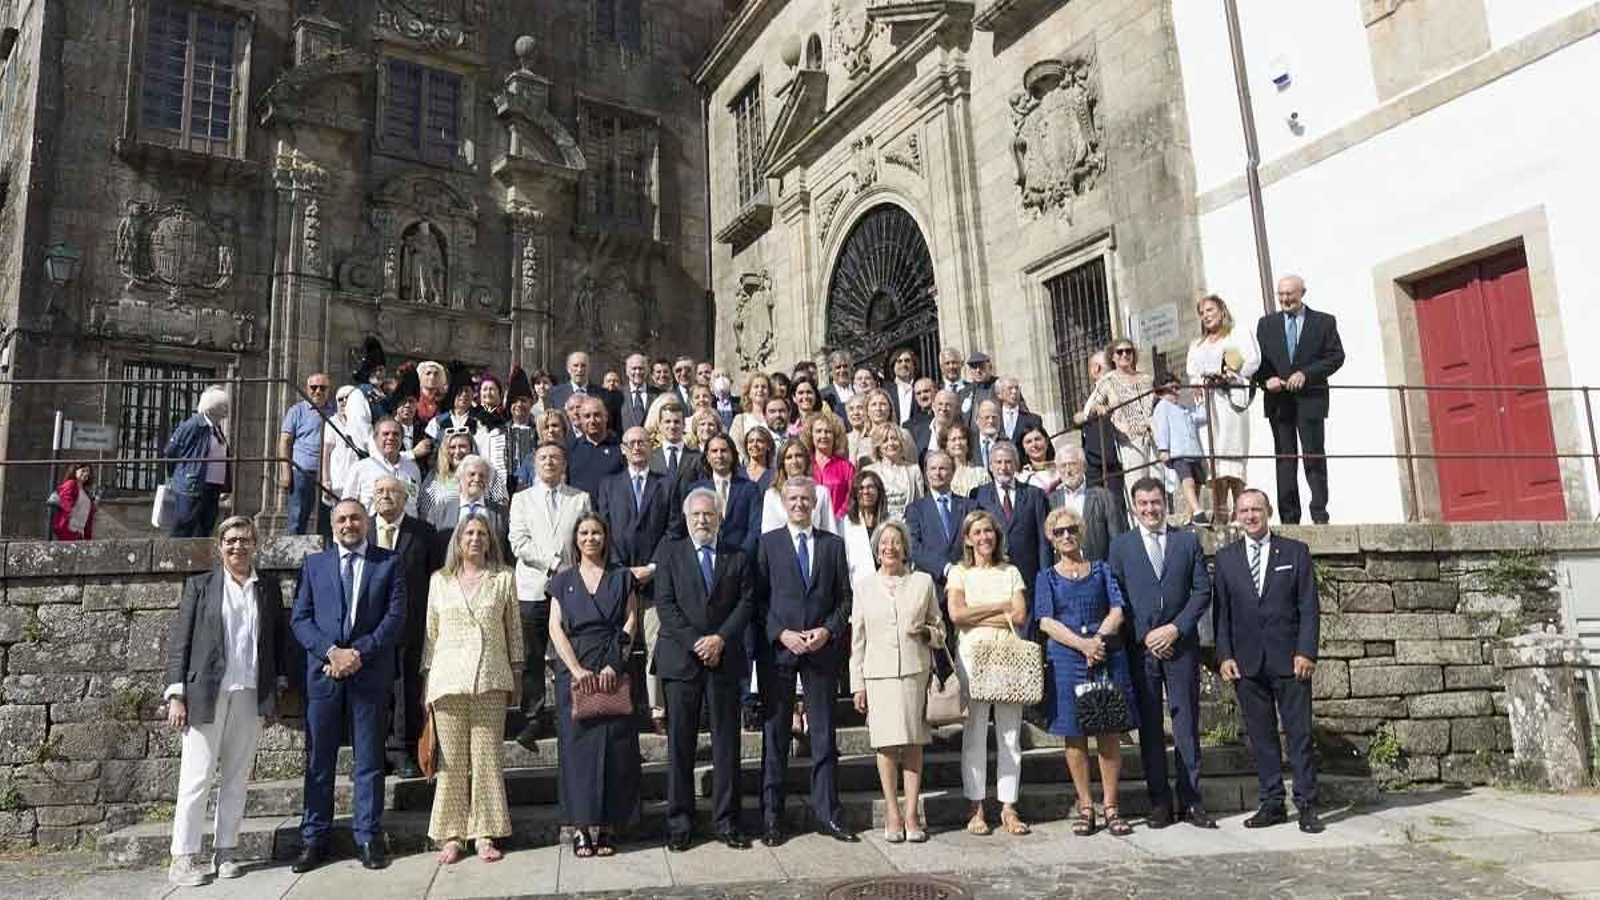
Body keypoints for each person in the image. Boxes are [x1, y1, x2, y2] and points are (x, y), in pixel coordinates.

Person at [162, 516, 286, 887]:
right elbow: (180, 643)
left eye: (245, 540)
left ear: (255, 544)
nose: (238, 547)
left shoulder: (267, 589)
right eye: (231, 541)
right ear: (220, 547)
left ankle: (226, 850)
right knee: (197, 778)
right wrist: (176, 694)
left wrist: (274, 692)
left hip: (249, 693)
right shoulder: (200, 587)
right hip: (205, 695)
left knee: (236, 777)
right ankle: (182, 857)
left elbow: (276, 643)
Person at [290, 498, 407, 872]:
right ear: (332, 524)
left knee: (369, 762)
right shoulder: (314, 564)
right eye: (341, 519)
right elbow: (301, 619)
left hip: (369, 674)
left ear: (367, 523)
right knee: (318, 761)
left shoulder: (388, 562)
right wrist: (331, 653)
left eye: (355, 517)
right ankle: (313, 838)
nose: (348, 524)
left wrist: (358, 653)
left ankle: (368, 836)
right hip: (324, 676)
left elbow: (395, 617)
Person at [1106, 477, 1213, 830]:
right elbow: (1117, 596)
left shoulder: (1186, 541)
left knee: (1186, 723)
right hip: (1143, 649)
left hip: (1180, 647)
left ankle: (1192, 799)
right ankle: (1160, 802)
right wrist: (1146, 634)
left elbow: (1201, 591)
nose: (1150, 509)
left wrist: (1175, 628)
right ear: (1134, 506)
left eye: (1155, 503)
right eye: (1143, 504)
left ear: (1164, 503)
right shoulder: (1121, 546)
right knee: (1150, 727)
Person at [1215, 489, 1324, 833]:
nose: (1250, 516)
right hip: (1247, 663)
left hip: (1291, 661)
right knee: (1261, 738)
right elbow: (1222, 615)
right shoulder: (1226, 558)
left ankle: (1306, 804)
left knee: (1299, 735)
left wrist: (1306, 651)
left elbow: (1309, 607)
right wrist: (1225, 655)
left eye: (1256, 509)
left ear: (1269, 512)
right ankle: (1272, 803)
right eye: (1244, 510)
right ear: (1237, 515)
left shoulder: (1295, 552)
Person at [755, 476, 857, 846]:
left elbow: (844, 599)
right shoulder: (767, 544)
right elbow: (759, 601)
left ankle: (827, 814)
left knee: (824, 736)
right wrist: (781, 633)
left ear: (815, 503)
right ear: (784, 502)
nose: (799, 504)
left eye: (805, 499)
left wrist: (827, 632)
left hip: (820, 652)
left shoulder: (833, 545)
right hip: (780, 653)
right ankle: (771, 818)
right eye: (793, 498)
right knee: (776, 737)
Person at [654, 488, 756, 852]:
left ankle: (727, 822)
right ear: (686, 518)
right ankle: (680, 824)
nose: (702, 520)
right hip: (682, 662)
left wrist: (720, 640)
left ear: (719, 519)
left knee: (727, 745)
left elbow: (746, 603)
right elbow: (665, 605)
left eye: (709, 515)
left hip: (724, 661)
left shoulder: (738, 557)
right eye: (696, 514)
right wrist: (698, 643)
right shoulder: (670, 554)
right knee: (680, 745)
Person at [422, 513, 522, 863]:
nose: (476, 538)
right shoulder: (440, 581)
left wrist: (517, 672)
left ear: (491, 540)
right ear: (459, 541)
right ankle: (451, 835)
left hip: (490, 678)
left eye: (482, 533)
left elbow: (514, 631)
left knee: (487, 759)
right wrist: (427, 685)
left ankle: (483, 833)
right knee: (451, 763)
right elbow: (431, 636)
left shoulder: (503, 578)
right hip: (447, 680)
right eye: (469, 533)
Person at [1035, 507, 1139, 837]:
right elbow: (1046, 621)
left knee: (1108, 732)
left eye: (1071, 530)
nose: (1066, 535)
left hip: (1105, 654)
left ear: (1080, 533)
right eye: (1059, 532)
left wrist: (1097, 641)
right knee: (1075, 735)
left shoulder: (1101, 569)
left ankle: (1110, 806)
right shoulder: (1046, 577)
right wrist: (1082, 646)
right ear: (1052, 539)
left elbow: (1118, 609)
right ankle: (1085, 806)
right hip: (1067, 659)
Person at [548, 514, 642, 858]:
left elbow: (631, 621)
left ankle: (607, 826)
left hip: (611, 668)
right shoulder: (563, 581)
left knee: (615, 749)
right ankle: (580, 827)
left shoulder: (622, 577)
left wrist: (613, 663)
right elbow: (555, 627)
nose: (591, 538)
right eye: (584, 533)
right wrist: (575, 669)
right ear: (576, 539)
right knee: (577, 752)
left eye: (597, 532)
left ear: (606, 537)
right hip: (576, 672)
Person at [849, 520, 943, 844]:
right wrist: (856, 683)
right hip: (879, 675)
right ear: (876, 550)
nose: (889, 547)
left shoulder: (922, 582)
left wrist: (927, 633)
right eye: (884, 543)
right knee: (887, 745)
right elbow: (857, 640)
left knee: (914, 743)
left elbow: (940, 628)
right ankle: (892, 810)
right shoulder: (862, 587)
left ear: (905, 548)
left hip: (915, 672)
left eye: (895, 542)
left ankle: (913, 811)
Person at [947, 510, 1031, 837]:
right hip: (972, 657)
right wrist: (999, 608)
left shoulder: (1010, 571)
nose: (984, 538)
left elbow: (1020, 614)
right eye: (977, 532)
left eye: (989, 532)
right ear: (968, 538)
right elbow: (956, 614)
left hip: (1008, 653)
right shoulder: (959, 572)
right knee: (975, 732)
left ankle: (1009, 805)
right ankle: (976, 804)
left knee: (1010, 734)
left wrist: (977, 614)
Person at [508, 441, 591, 749]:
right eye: (543, 457)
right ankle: (533, 718)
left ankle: (569, 711)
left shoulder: (580, 498)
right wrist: (554, 563)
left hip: (571, 589)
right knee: (533, 656)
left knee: (568, 653)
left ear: (564, 464)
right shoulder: (521, 500)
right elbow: (518, 542)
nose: (549, 462)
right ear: (535, 463)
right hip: (533, 588)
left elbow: (587, 537)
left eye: (555, 457)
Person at [596, 427, 672, 731]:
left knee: (656, 644)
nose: (637, 447)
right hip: (618, 579)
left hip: (656, 580)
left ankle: (657, 712)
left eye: (642, 442)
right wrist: (622, 569)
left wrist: (652, 567)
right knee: (620, 645)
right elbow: (602, 529)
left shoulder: (665, 484)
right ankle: (620, 708)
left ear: (650, 448)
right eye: (631, 443)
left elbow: (673, 529)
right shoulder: (608, 485)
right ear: (623, 449)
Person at [1254, 274, 1346, 525]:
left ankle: (1319, 514)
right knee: (1285, 459)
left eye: (1290, 295)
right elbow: (1258, 364)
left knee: (1314, 456)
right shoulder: (1266, 324)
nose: (1284, 299)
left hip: (1311, 400)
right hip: (1278, 402)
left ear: (1302, 293)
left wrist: (1306, 374)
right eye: (1280, 295)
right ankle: (1289, 518)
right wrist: (1266, 380)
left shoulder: (1324, 322)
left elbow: (1336, 357)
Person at [369, 476, 438, 779]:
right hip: (368, 629)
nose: (385, 496)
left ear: (404, 497)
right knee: (373, 692)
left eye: (391, 492)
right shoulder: (361, 530)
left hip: (410, 625)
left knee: (406, 689)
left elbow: (434, 580)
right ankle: (374, 752)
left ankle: (402, 750)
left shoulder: (423, 533)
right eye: (380, 491)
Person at [1188, 294, 1261, 522]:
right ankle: (1220, 515)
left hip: (1231, 401)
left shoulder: (1238, 334)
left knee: (1233, 455)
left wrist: (1230, 374)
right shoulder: (1197, 345)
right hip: (1209, 406)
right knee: (1215, 462)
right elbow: (1192, 373)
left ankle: (1241, 514)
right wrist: (1198, 384)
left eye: (1210, 310)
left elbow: (1253, 361)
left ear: (1222, 311)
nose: (1206, 316)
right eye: (1202, 312)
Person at [973, 442, 1053, 605]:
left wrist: (1044, 578)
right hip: (993, 576)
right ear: (990, 465)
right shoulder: (978, 495)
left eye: (1008, 462)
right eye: (998, 462)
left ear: (1016, 464)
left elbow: (1044, 542)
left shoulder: (1034, 495)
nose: (1003, 467)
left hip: (1029, 578)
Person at [1082, 339, 1156, 500]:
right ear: (1112, 357)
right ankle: (1139, 524)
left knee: (1157, 482)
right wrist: (1100, 408)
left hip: (1154, 436)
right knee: (1136, 485)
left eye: (1128, 351)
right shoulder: (1107, 381)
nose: (1125, 355)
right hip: (1129, 439)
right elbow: (1091, 408)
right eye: (1120, 352)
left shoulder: (1146, 379)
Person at [905, 451, 976, 612]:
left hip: (966, 588)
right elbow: (913, 547)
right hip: (931, 589)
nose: (937, 473)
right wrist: (945, 568)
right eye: (933, 469)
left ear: (952, 472)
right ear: (926, 473)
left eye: (943, 468)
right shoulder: (915, 509)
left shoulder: (969, 506)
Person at [164, 385, 232, 538]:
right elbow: (171, 450)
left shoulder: (216, 428)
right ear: (211, 407)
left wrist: (225, 485)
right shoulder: (194, 425)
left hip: (213, 486)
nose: (226, 409)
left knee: (205, 527)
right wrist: (176, 475)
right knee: (185, 525)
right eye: (223, 406)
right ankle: (175, 559)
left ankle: (199, 560)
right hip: (193, 484)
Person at [679, 433, 762, 554]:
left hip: (741, 559)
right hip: (706, 558)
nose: (719, 455)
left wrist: (741, 557)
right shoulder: (695, 489)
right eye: (714, 451)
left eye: (724, 451)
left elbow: (754, 529)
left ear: (733, 455)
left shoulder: (750, 488)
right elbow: (688, 528)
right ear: (707, 456)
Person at [279, 372, 335, 535]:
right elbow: (285, 441)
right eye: (313, 387)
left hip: (327, 474)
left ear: (328, 390)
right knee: (297, 518)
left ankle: (324, 558)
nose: (318, 391)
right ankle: (294, 559)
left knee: (327, 520)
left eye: (322, 388)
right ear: (307, 388)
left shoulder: (335, 411)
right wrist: (286, 472)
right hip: (302, 471)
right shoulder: (296, 411)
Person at [1047, 448, 1126, 562]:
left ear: (1084, 467)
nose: (1068, 470)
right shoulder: (1051, 501)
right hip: (1063, 573)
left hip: (1097, 570)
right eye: (1063, 466)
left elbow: (1117, 538)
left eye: (1073, 464)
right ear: (1058, 470)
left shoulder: (1103, 497)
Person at [1074, 351, 1127, 518]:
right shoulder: (1101, 386)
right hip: (1097, 455)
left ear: (1095, 368)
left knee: (1113, 503)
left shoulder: (1109, 382)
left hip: (1106, 455)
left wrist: (1086, 415)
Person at [1151, 375, 1209, 524]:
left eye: (1178, 388)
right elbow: (1161, 428)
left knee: (1197, 483)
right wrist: (1163, 449)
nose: (1176, 392)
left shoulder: (1184, 409)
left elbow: (1202, 417)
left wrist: (1201, 400)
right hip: (1178, 453)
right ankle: (1198, 511)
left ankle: (1189, 516)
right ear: (1160, 392)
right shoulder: (1162, 406)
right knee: (1187, 481)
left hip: (1193, 452)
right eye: (1172, 389)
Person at [426, 455, 510, 549]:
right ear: (459, 479)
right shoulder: (438, 513)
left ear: (488, 481)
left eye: (482, 475)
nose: (477, 479)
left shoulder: (501, 514)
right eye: (472, 474)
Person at [344, 418, 423, 517]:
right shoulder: (360, 468)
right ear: (375, 439)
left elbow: (415, 504)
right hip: (372, 529)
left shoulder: (413, 469)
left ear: (402, 438)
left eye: (396, 434)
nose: (391, 437)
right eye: (385, 434)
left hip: (408, 529)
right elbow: (347, 506)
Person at [763, 438, 836, 533]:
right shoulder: (772, 495)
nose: (794, 461)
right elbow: (768, 533)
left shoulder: (821, 492)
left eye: (799, 456)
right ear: (782, 463)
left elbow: (830, 530)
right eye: (789, 457)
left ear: (806, 460)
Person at [548, 350, 623, 436]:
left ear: (589, 368)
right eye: (575, 366)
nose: (579, 370)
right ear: (568, 369)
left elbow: (612, 426)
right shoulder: (555, 394)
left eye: (583, 366)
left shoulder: (604, 395)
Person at [865, 423, 924, 521]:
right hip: (879, 527)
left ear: (901, 443)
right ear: (878, 446)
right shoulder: (869, 471)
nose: (890, 443)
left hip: (907, 528)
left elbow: (920, 504)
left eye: (894, 439)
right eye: (885, 440)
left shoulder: (914, 470)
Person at [568, 397, 624, 498]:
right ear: (580, 419)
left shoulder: (620, 448)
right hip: (580, 512)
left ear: (606, 417)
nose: (592, 420)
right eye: (587, 416)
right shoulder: (571, 449)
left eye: (597, 415)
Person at [839, 469, 888, 582]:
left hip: (888, 585)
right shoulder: (845, 524)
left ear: (879, 491)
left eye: (870, 487)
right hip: (858, 586)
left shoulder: (891, 521)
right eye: (861, 488)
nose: (866, 491)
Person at [805, 411, 855, 517]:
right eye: (818, 431)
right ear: (811, 435)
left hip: (839, 525)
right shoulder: (804, 465)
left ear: (835, 436)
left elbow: (851, 497)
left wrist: (836, 519)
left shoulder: (846, 467)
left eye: (828, 431)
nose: (823, 435)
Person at [940, 423, 990, 498]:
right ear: (946, 445)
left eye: (962, 438)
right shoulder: (942, 473)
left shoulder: (980, 473)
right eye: (953, 439)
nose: (958, 443)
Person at [51, 463, 98, 541]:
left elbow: (88, 516)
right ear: (75, 471)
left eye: (88, 472)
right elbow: (65, 499)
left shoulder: (86, 492)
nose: (86, 473)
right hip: (69, 529)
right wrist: (72, 512)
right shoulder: (71, 484)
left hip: (80, 532)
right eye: (83, 471)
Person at [728, 372, 772, 451]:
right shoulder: (740, 420)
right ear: (749, 393)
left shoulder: (775, 418)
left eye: (764, 387)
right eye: (756, 387)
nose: (760, 389)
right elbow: (734, 446)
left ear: (769, 392)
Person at [997, 376, 1044, 445]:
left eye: (1016, 388)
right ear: (999, 394)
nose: (1014, 391)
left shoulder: (1034, 420)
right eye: (1010, 388)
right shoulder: (993, 418)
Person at [1016, 424, 1059, 494]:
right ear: (1023, 448)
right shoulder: (1021, 477)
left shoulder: (1061, 469)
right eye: (1029, 442)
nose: (1034, 445)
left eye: (1037, 439)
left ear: (1047, 442)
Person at [886, 347, 918, 426]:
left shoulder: (920, 388)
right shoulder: (886, 390)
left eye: (907, 361)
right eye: (899, 361)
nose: (903, 364)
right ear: (893, 366)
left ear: (914, 365)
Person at [820, 351, 855, 421]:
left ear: (851, 369)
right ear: (831, 372)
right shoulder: (823, 395)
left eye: (845, 366)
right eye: (838, 367)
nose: (842, 370)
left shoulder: (858, 390)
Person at [741, 424, 776, 492]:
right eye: (751, 441)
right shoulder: (738, 474)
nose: (754, 444)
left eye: (760, 441)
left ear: (768, 445)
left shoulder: (775, 476)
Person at [844, 395, 874, 464]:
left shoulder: (874, 437)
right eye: (851, 409)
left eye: (860, 408)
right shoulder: (843, 440)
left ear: (868, 411)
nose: (855, 413)